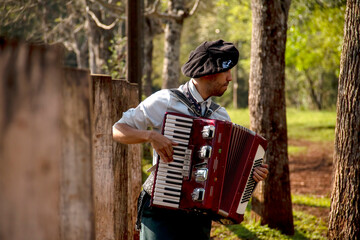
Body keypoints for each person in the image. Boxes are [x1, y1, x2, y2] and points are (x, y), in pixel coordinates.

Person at [112, 39, 269, 240]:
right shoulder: (166, 101)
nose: (230, 78)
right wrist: (150, 136)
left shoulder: (220, 117)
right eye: (226, 71)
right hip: (160, 211)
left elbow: (226, 175)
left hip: (199, 216)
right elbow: (117, 129)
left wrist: (251, 175)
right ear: (210, 73)